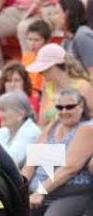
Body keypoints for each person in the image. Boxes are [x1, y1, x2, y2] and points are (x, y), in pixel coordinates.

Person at [23, 88, 93, 216]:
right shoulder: (52, 126)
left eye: (70, 107)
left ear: (81, 106)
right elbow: (31, 162)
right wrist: (19, 190)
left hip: (70, 192)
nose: (64, 111)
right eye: (60, 107)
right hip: (37, 193)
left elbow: (70, 168)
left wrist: (40, 191)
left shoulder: (86, 128)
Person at [26, 43, 93, 126]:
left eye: (44, 69)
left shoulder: (83, 86)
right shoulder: (48, 87)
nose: (41, 73)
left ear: (57, 65)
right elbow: (41, 122)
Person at [0, 91, 41, 168]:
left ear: (20, 114)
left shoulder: (31, 132)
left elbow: (12, 160)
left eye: (3, 111)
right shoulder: (4, 130)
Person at [53, 0, 93, 76]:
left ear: (67, 14)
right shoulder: (66, 41)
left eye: (57, 13)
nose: (53, 18)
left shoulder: (82, 35)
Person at [22, 20, 52, 94]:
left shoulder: (50, 60)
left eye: (36, 40)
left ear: (47, 41)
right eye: (29, 39)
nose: (32, 43)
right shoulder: (26, 56)